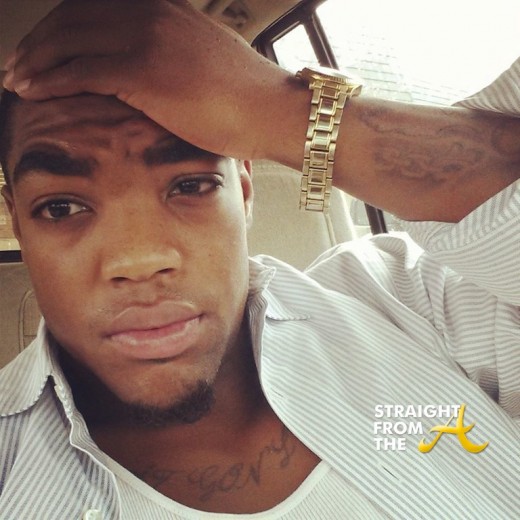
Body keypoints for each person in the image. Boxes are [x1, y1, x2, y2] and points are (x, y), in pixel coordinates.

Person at [0, 1, 519, 518]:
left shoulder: (409, 303)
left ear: (244, 191)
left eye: (191, 185)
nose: (139, 261)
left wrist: (282, 109)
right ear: (17, 221)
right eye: (61, 207)